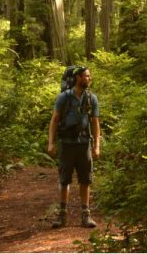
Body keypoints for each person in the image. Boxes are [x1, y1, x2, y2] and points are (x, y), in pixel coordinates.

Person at [47, 65, 101, 228]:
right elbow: (55, 120)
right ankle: (62, 216)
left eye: (89, 76)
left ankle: (86, 216)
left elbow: (95, 123)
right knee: (64, 180)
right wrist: (51, 142)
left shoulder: (92, 98)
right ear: (77, 77)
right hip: (66, 144)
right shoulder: (64, 97)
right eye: (86, 76)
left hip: (84, 144)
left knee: (85, 180)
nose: (88, 79)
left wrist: (97, 146)